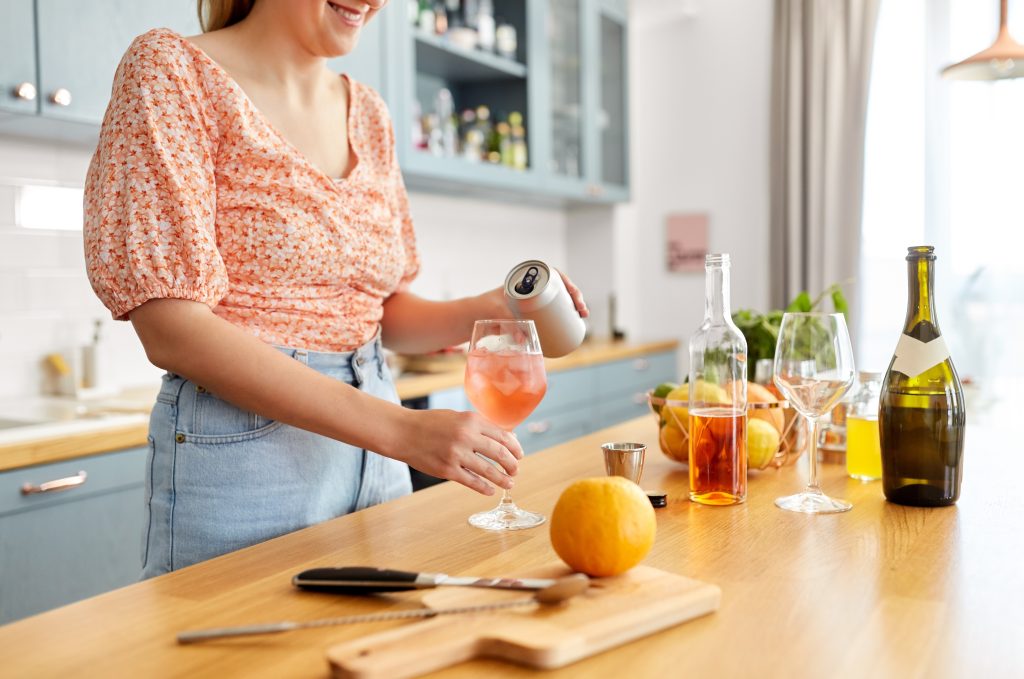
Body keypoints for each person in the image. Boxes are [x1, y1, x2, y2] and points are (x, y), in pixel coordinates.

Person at [83, 0, 588, 578]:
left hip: (379, 448)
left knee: (376, 655)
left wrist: (496, 307)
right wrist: (402, 431)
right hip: (246, 462)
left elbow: (378, 312)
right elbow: (171, 328)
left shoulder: (369, 113)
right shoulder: (172, 71)